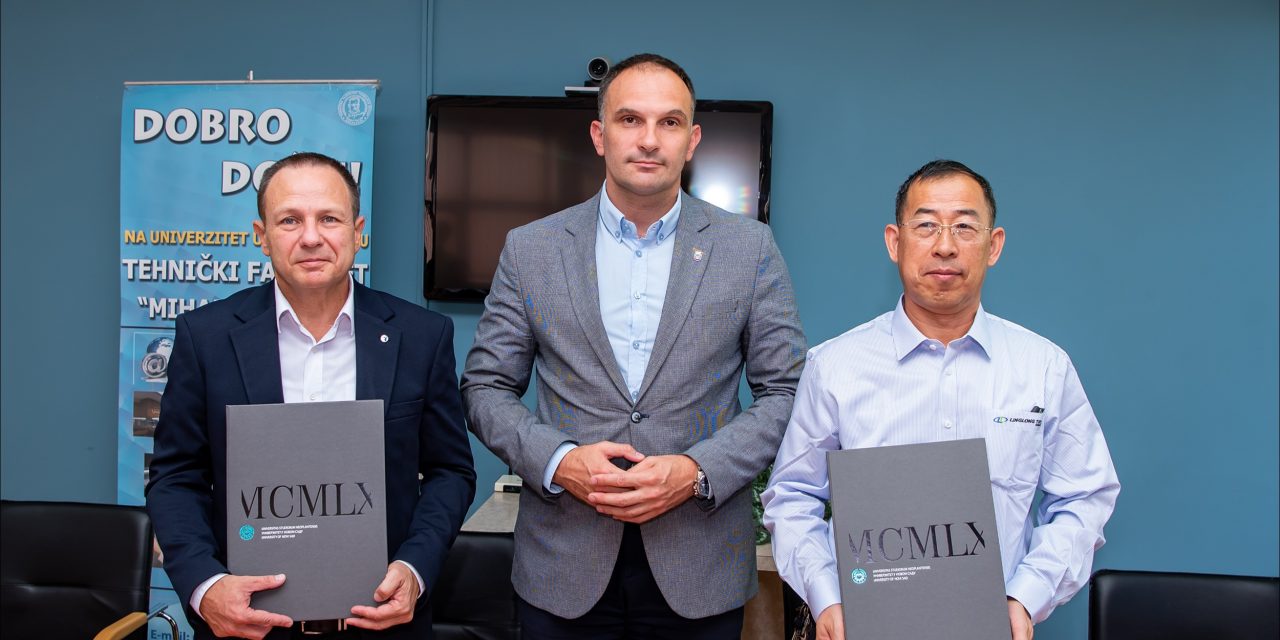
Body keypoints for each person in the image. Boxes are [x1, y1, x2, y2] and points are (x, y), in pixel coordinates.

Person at [461, 53, 806, 639]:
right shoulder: (531, 249)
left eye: (669, 122)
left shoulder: (749, 249)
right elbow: (485, 387)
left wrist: (696, 471)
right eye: (630, 120)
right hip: (561, 565)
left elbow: (786, 390)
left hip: (700, 566)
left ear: (692, 140)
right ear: (600, 135)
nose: (649, 140)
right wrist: (560, 461)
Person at [762, 159, 1120, 640]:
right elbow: (792, 497)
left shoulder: (1044, 368)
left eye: (965, 227)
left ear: (994, 245)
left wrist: (1026, 597)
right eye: (926, 225)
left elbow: (1084, 497)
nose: (945, 245)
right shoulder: (835, 367)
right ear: (895, 242)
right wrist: (826, 598)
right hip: (865, 629)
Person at [146, 152, 476, 639]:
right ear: (261, 235)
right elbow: (176, 477)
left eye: (329, 219)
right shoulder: (206, 338)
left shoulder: (421, 337)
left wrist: (415, 569)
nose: (311, 237)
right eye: (289, 220)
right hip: (249, 628)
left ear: (357, 231)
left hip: (381, 626)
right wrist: (205, 586)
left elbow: (450, 472)